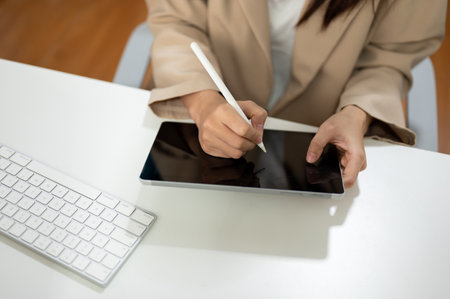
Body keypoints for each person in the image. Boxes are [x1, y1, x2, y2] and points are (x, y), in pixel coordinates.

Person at [144, 0, 446, 189]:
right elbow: (176, 22)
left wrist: (357, 114)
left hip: (317, 135)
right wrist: (204, 102)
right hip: (192, 126)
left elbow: (389, 57)